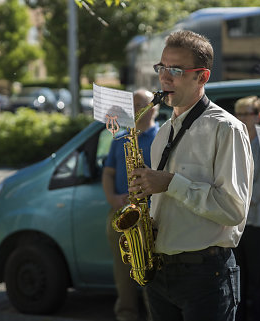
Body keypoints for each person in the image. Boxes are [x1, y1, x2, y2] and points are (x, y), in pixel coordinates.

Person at [128, 30, 253, 321]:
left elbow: (233, 210)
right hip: (160, 269)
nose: (164, 78)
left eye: (176, 70)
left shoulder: (226, 129)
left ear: (202, 77)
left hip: (206, 274)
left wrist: (171, 184)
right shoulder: (162, 132)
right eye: (162, 68)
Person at [102, 88, 159, 321]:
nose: (134, 110)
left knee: (151, 269)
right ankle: (126, 314)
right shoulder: (120, 137)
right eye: (132, 106)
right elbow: (108, 173)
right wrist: (113, 199)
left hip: (151, 214)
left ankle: (155, 314)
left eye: (139, 105)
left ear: (153, 108)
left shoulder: (163, 136)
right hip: (122, 212)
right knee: (123, 270)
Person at [233, 96, 260, 321]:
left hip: (258, 220)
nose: (241, 118)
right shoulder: (234, 140)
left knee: (258, 278)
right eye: (238, 114)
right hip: (235, 221)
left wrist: (232, 203)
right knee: (237, 276)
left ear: (259, 116)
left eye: (246, 113)